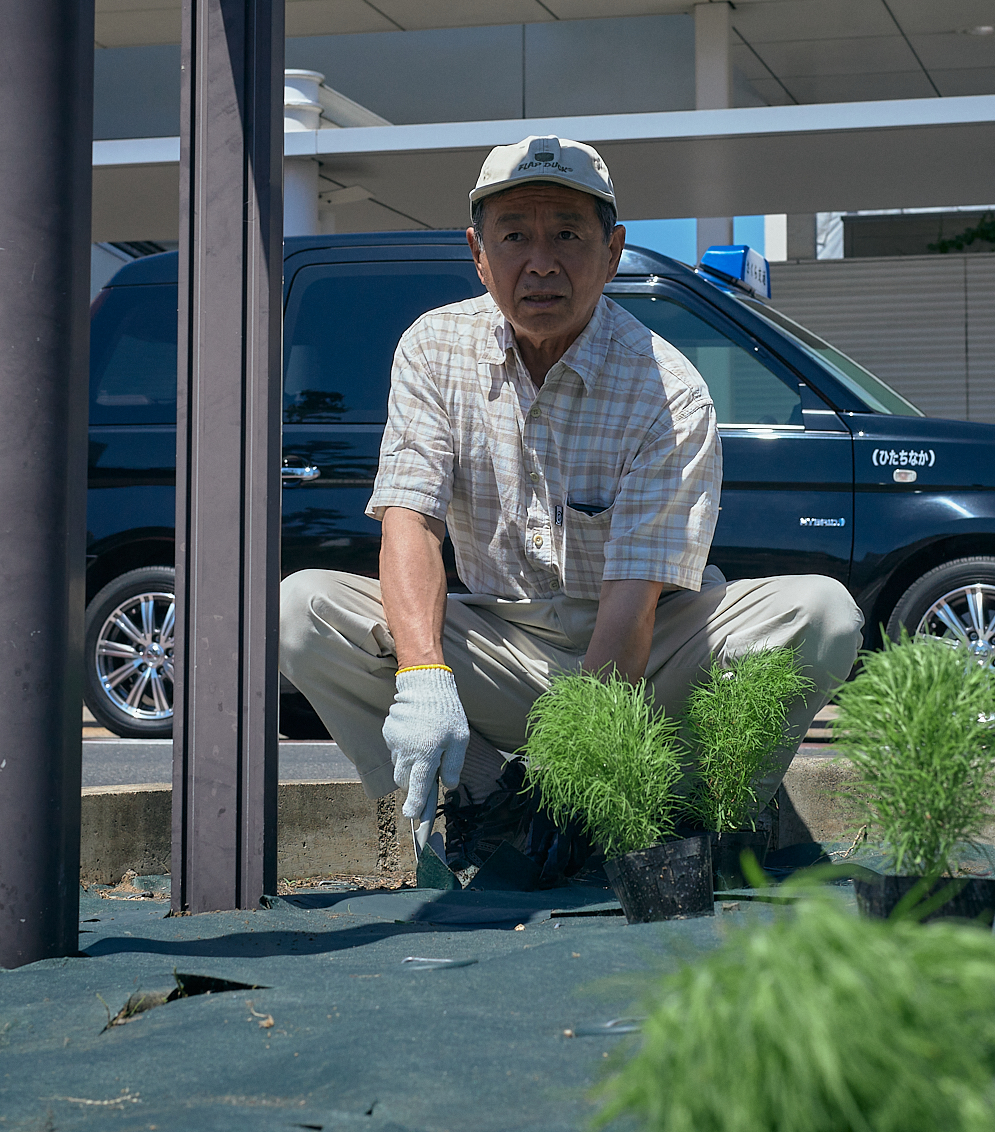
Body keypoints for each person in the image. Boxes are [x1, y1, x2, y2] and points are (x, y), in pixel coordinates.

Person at [279, 135, 862, 881]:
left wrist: (578, 754)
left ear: (612, 250)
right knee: (304, 610)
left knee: (823, 614)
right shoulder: (432, 349)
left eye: (568, 235)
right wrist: (425, 675)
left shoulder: (668, 389)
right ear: (478, 253)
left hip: (650, 651)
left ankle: (697, 814)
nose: (541, 262)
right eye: (515, 236)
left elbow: (634, 606)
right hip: (501, 639)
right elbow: (409, 524)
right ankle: (482, 805)